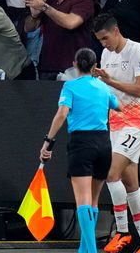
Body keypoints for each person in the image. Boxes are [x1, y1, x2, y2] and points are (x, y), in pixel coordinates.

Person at [39, 48, 120, 253]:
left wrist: (48, 141)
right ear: (95, 66)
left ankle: (90, 251)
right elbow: (118, 106)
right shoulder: (103, 87)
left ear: (75, 64)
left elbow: (62, 114)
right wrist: (107, 81)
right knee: (93, 200)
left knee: (82, 200)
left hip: (81, 144)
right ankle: (85, 249)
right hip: (103, 144)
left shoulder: (70, 86)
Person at [91, 13, 140, 253]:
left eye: (105, 38)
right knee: (131, 184)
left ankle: (123, 232)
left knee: (111, 173)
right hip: (115, 123)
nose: (103, 44)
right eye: (99, 40)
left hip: (136, 121)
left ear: (116, 30)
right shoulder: (106, 55)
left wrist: (110, 81)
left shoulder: (138, 51)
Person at [24, 0, 95, 80]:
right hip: (47, 68)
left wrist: (44, 7)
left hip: (74, 69)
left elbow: (70, 23)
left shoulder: (83, 1)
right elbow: (29, 28)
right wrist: (34, 15)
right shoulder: (51, 0)